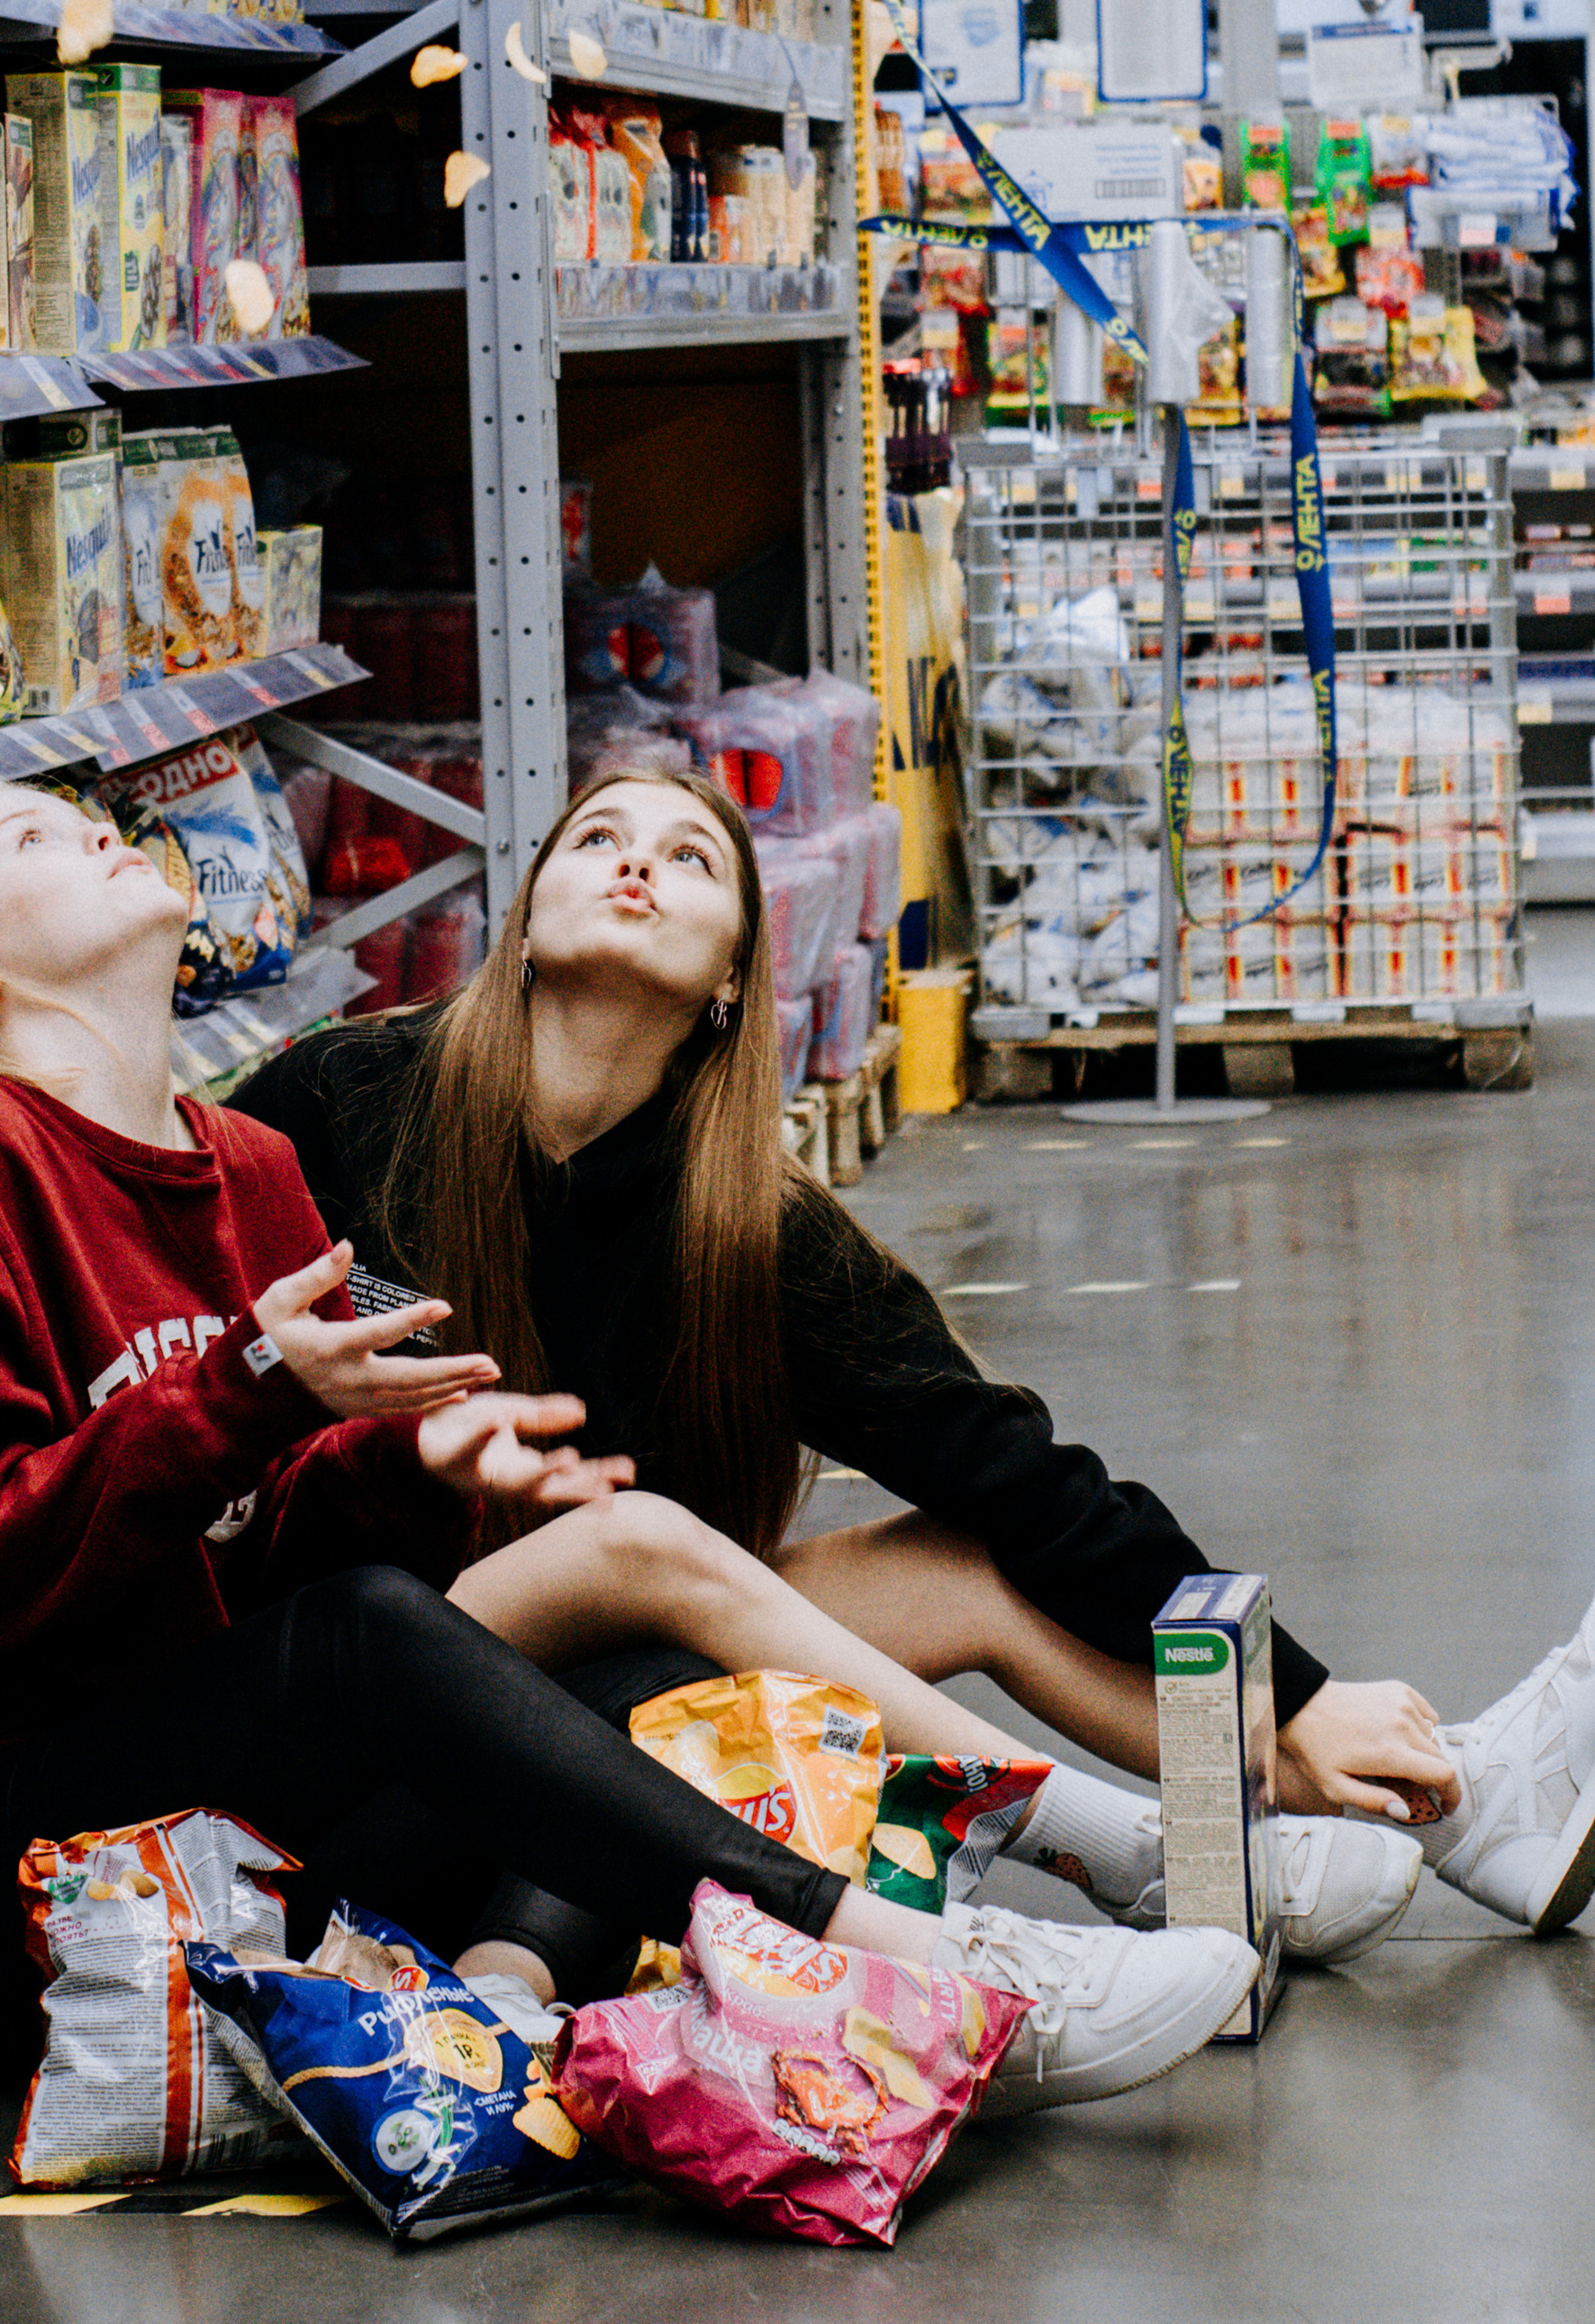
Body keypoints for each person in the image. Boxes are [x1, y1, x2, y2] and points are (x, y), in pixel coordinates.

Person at [0, 774, 1255, 2108]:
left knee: (648, 1675)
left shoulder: (255, 1168)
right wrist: (256, 1387)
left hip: (177, 1852)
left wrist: (413, 1468)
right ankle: (928, 1969)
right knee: (361, 1640)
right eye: (24, 833)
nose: (90, 818)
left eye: (81, 808)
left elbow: (257, 1556)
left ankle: (497, 2016)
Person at [233, 765, 1595, 1957]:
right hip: (355, 1698)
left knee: (958, 1561)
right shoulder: (338, 1106)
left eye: (691, 856)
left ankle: (1450, 1806)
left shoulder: (746, 1226)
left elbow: (1024, 1480)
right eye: (595, 839)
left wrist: (1292, 1681)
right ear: (523, 921)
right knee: (631, 1535)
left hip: (602, 1693)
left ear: (729, 985)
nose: (637, 860)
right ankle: (1147, 1847)